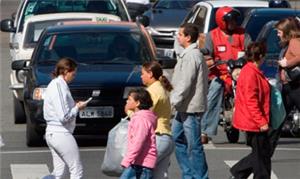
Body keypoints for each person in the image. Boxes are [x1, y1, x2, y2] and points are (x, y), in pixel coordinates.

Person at [200, 6, 252, 144]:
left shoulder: (242, 34)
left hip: (239, 72)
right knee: (214, 92)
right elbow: (207, 51)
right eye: (231, 20)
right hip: (221, 73)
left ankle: (255, 126)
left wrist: (246, 57)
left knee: (253, 92)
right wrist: (205, 54)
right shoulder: (212, 35)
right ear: (222, 21)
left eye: (235, 20)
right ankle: (205, 131)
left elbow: (250, 48)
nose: (234, 23)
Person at [170, 23, 209, 179]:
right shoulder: (188, 53)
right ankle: (188, 174)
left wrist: (173, 101)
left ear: (188, 37)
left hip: (190, 108)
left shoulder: (192, 56)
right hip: (183, 107)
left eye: (180, 34)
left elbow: (186, 83)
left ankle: (200, 176)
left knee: (194, 146)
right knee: (177, 138)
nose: (177, 37)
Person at [230, 42, 271, 179]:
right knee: (261, 161)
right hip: (254, 122)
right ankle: (238, 171)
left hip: (255, 120)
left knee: (261, 155)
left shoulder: (253, 71)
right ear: (261, 56)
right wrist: (261, 122)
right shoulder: (250, 73)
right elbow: (251, 101)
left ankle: (239, 172)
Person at [43, 57, 87, 179]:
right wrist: (77, 108)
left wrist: (76, 106)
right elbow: (64, 116)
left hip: (53, 133)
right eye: (73, 73)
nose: (74, 76)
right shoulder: (59, 86)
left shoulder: (56, 84)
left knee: (59, 173)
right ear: (66, 71)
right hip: (60, 133)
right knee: (76, 169)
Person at [270, 17, 300, 156]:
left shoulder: (294, 42)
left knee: (278, 119)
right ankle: (265, 151)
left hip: (295, 88)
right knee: (278, 119)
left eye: (279, 31)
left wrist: (286, 64)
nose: (278, 34)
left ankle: (265, 151)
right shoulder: (290, 42)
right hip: (288, 88)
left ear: (287, 31)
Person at [141, 61, 174, 179]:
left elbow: (145, 115)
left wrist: (129, 111)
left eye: (143, 73)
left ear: (150, 74)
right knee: (160, 175)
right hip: (166, 137)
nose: (141, 76)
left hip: (157, 138)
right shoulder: (160, 88)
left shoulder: (152, 91)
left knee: (140, 170)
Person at [121, 88, 157, 179]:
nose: (127, 101)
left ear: (137, 103)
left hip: (142, 164)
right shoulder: (145, 117)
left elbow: (138, 142)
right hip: (139, 162)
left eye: (129, 99)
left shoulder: (141, 119)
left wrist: (127, 160)